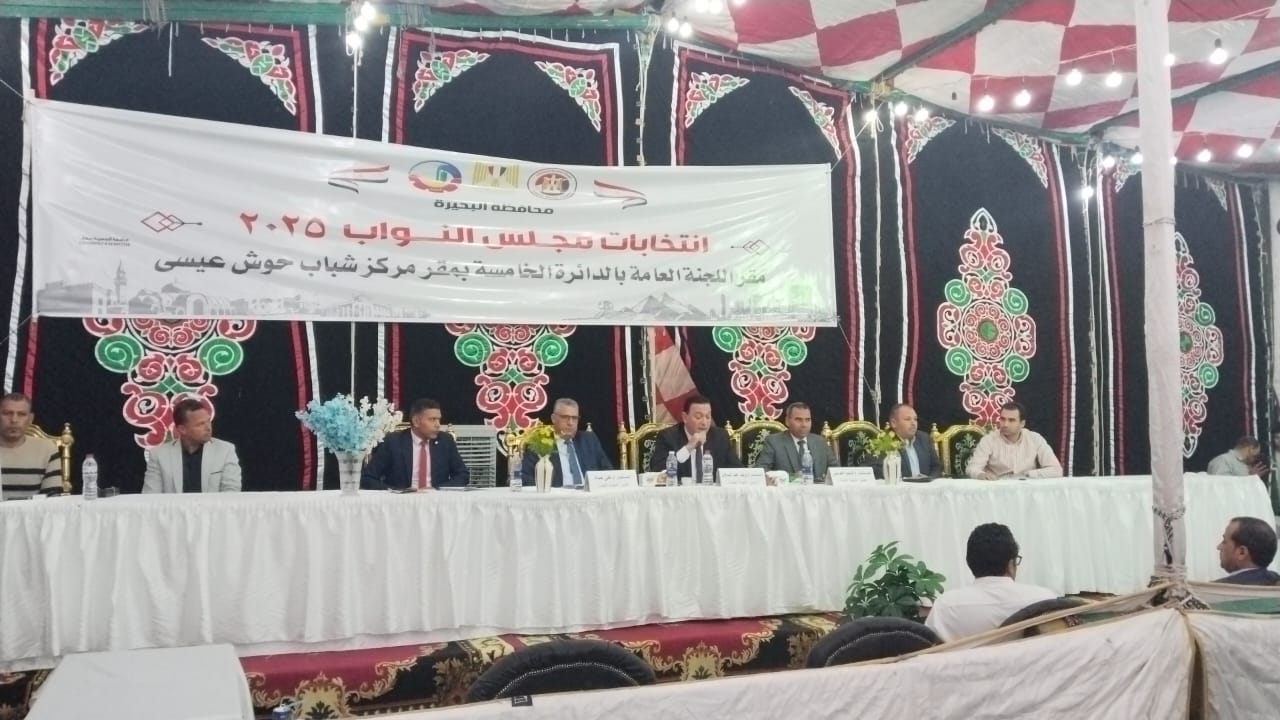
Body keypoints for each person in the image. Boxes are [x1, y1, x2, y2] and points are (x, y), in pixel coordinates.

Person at [924, 523, 1057, 641]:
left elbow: (929, 653)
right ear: (1011, 565)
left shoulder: (945, 607)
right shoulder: (1046, 600)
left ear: (970, 564)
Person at [362, 398, 469, 489]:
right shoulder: (393, 442)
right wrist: (395, 493)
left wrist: (439, 490)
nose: (438, 425)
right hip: (401, 501)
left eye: (438, 420)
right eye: (432, 419)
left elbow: (462, 475)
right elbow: (368, 478)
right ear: (416, 421)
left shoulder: (445, 441)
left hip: (436, 500)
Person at [143, 398, 242, 493]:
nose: (208, 428)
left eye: (208, 421)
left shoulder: (225, 450)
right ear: (182, 429)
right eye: (200, 424)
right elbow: (151, 497)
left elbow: (231, 493)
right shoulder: (159, 455)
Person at [521, 398, 611, 488]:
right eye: (565, 417)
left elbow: (608, 472)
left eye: (574, 418)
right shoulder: (540, 444)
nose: (570, 423)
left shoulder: (589, 440)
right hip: (557, 495)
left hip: (588, 495)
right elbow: (527, 479)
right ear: (553, 418)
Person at [648, 395, 740, 482]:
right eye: (698, 417)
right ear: (685, 417)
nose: (704, 422)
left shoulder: (720, 437)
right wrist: (688, 448)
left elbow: (738, 470)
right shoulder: (668, 437)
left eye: (708, 417)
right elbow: (658, 471)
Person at [966, 402, 1062, 479]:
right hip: (997, 488)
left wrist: (1028, 475)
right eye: (1002, 419)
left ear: (1022, 423)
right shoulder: (988, 440)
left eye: (1011, 420)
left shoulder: (1035, 439)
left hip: (1026, 488)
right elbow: (972, 468)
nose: (1005, 424)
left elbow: (1056, 470)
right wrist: (980, 474)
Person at [0, 392, 62, 500]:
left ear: (30, 419)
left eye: (21, 414)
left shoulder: (47, 449)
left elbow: (53, 499)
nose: (14, 420)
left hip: (34, 511)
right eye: (7, 413)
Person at [755, 402, 832, 480]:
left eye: (807, 420)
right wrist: (788, 477)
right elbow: (761, 470)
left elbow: (835, 470)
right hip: (787, 487)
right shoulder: (774, 442)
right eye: (798, 420)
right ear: (787, 421)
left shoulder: (820, 442)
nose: (804, 425)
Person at [869, 403, 942, 479]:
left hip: (925, 485)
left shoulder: (924, 438)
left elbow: (937, 467)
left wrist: (929, 479)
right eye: (908, 419)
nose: (913, 423)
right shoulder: (883, 441)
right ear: (894, 423)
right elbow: (874, 471)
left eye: (915, 419)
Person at [1215, 516, 1280, 585]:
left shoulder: (1215, 588)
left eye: (1224, 541)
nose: (1218, 547)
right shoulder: (1276, 581)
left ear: (1242, 552)